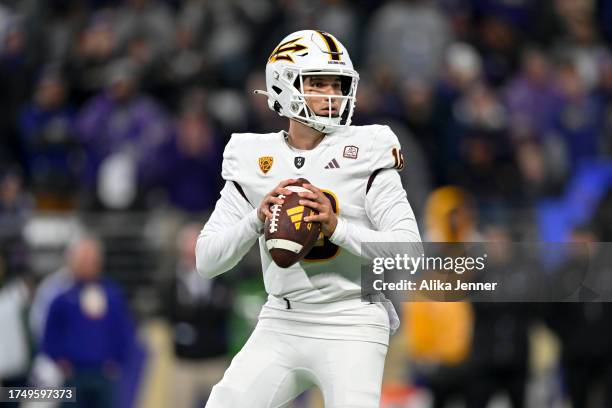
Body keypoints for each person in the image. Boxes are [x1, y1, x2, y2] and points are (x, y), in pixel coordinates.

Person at [196, 30, 421, 407]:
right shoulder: (254, 157)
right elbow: (206, 261)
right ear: (283, 86)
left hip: (353, 319)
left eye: (338, 84)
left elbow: (411, 255)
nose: (332, 95)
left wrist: (338, 228)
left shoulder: (368, 149)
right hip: (281, 318)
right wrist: (256, 218)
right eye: (318, 83)